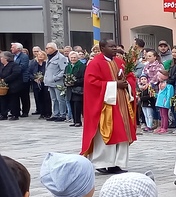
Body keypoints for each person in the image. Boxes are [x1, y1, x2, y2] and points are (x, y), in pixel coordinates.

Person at [81, 40, 137, 175]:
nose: (114, 49)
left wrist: (127, 83)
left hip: (122, 104)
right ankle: (102, 163)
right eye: (111, 47)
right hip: (106, 106)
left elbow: (131, 77)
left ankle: (117, 163)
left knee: (122, 133)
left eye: (115, 46)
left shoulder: (120, 62)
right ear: (102, 48)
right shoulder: (95, 63)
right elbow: (91, 83)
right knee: (107, 133)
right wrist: (114, 85)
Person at [44, 43, 70, 122]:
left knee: (60, 99)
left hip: (58, 82)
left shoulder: (61, 58)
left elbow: (64, 70)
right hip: (50, 82)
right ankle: (56, 114)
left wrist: (55, 78)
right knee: (54, 99)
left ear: (52, 49)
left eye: (47, 48)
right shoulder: (49, 57)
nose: (46, 50)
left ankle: (62, 114)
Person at [0, 51, 25, 120]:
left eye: (1, 57)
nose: (0, 59)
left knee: (13, 100)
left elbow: (16, 73)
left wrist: (5, 80)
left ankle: (15, 114)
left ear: (6, 58)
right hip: (4, 87)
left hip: (13, 86)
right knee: (3, 100)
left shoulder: (14, 65)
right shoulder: (2, 65)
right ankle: (3, 114)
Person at [27, 49, 52, 119]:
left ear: (45, 56)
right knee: (39, 98)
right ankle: (42, 113)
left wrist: (43, 78)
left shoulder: (47, 64)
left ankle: (48, 113)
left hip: (45, 83)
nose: (40, 56)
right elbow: (29, 73)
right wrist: (34, 79)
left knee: (47, 98)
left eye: (42, 55)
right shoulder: (33, 64)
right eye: (39, 55)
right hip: (36, 84)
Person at [64, 51, 85, 127]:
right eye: (71, 58)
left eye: (74, 57)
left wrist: (74, 82)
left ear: (78, 58)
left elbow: (84, 78)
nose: (73, 59)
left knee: (77, 105)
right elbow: (64, 76)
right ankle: (75, 120)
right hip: (69, 89)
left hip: (78, 89)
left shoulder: (82, 66)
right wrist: (66, 82)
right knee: (72, 104)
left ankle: (78, 121)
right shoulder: (68, 66)